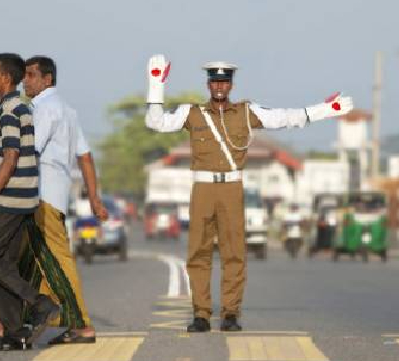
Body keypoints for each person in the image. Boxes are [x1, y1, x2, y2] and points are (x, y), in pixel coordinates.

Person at [144, 55, 353, 332]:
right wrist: (156, 84)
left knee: (234, 253)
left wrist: (323, 110)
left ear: (231, 85)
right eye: (215, 81)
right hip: (203, 188)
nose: (219, 86)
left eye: (224, 82)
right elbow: (155, 122)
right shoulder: (191, 113)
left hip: (232, 187)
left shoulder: (245, 112)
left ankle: (230, 314)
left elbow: (283, 118)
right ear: (209, 84)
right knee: (198, 253)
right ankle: (201, 314)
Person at [7, 55, 108, 344]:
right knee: (27, 262)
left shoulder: (44, 110)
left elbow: (27, 152)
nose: (24, 81)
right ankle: (11, 322)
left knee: (55, 262)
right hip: (54, 198)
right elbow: (85, 157)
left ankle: (80, 324)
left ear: (47, 79)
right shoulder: (68, 111)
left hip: (41, 198)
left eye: (30, 75)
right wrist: (95, 199)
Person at [0, 53, 60, 350]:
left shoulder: (8, 109)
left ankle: (40, 303)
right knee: (5, 264)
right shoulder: (23, 106)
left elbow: (11, 157)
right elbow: (19, 152)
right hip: (27, 195)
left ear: (5, 78)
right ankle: (15, 333)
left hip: (10, 198)